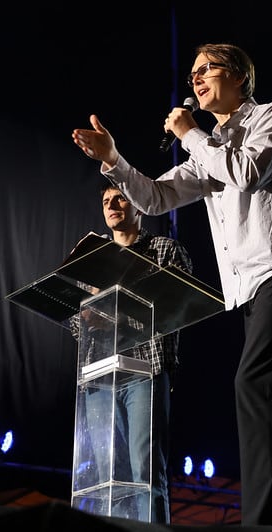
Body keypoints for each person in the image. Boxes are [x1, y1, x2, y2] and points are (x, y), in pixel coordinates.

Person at [71, 43, 272, 531]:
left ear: (240, 75)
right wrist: (114, 159)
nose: (196, 80)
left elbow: (248, 171)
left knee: (254, 383)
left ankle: (261, 523)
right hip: (251, 287)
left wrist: (191, 133)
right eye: (193, 74)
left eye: (207, 69)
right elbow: (156, 198)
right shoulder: (208, 149)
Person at [69, 182, 193, 524]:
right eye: (106, 200)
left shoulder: (164, 250)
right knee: (107, 475)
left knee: (145, 470)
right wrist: (89, 314)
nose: (112, 204)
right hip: (98, 378)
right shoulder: (91, 261)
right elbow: (77, 327)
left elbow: (175, 310)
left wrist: (114, 317)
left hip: (144, 372)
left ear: (138, 204)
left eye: (120, 197)